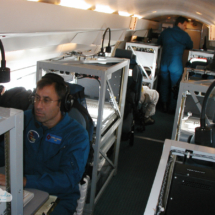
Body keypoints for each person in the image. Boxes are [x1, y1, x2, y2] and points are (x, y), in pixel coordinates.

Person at [0, 73, 90, 215]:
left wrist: (23, 181)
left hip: (59, 197)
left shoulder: (77, 136)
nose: (38, 106)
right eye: (36, 98)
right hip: (23, 188)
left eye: (46, 100)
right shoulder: (26, 119)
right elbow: (5, 149)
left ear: (62, 104)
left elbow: (67, 179)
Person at [157, 16, 193, 113]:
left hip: (164, 62)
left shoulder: (166, 32)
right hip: (176, 64)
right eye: (185, 25)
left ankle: (163, 104)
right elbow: (190, 46)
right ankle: (172, 108)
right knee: (175, 86)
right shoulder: (185, 35)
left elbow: (159, 42)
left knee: (164, 83)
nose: (185, 27)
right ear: (179, 24)